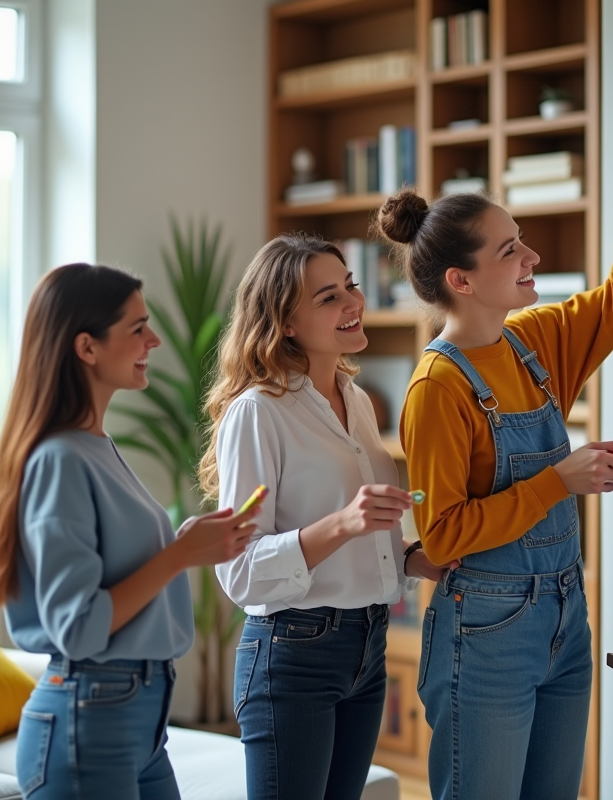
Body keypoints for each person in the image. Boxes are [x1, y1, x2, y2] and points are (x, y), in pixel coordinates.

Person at [382, 124, 613, 800]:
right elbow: (446, 534)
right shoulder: (436, 389)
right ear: (462, 280)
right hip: (486, 633)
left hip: (566, 617)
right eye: (511, 249)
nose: (532, 256)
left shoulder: (532, 343)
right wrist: (557, 481)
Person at [0, 263, 257, 800]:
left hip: (137, 716)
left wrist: (186, 546)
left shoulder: (94, 446)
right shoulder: (60, 459)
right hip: (91, 717)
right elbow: (78, 626)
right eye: (137, 328)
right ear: (87, 347)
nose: (153, 340)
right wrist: (178, 555)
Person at [200, 234, 455, 800]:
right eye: (328, 297)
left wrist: (414, 558)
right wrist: (343, 522)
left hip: (367, 646)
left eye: (351, 287)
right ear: (286, 322)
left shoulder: (355, 398)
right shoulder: (257, 412)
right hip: (294, 655)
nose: (352, 304)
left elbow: (370, 534)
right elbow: (239, 570)